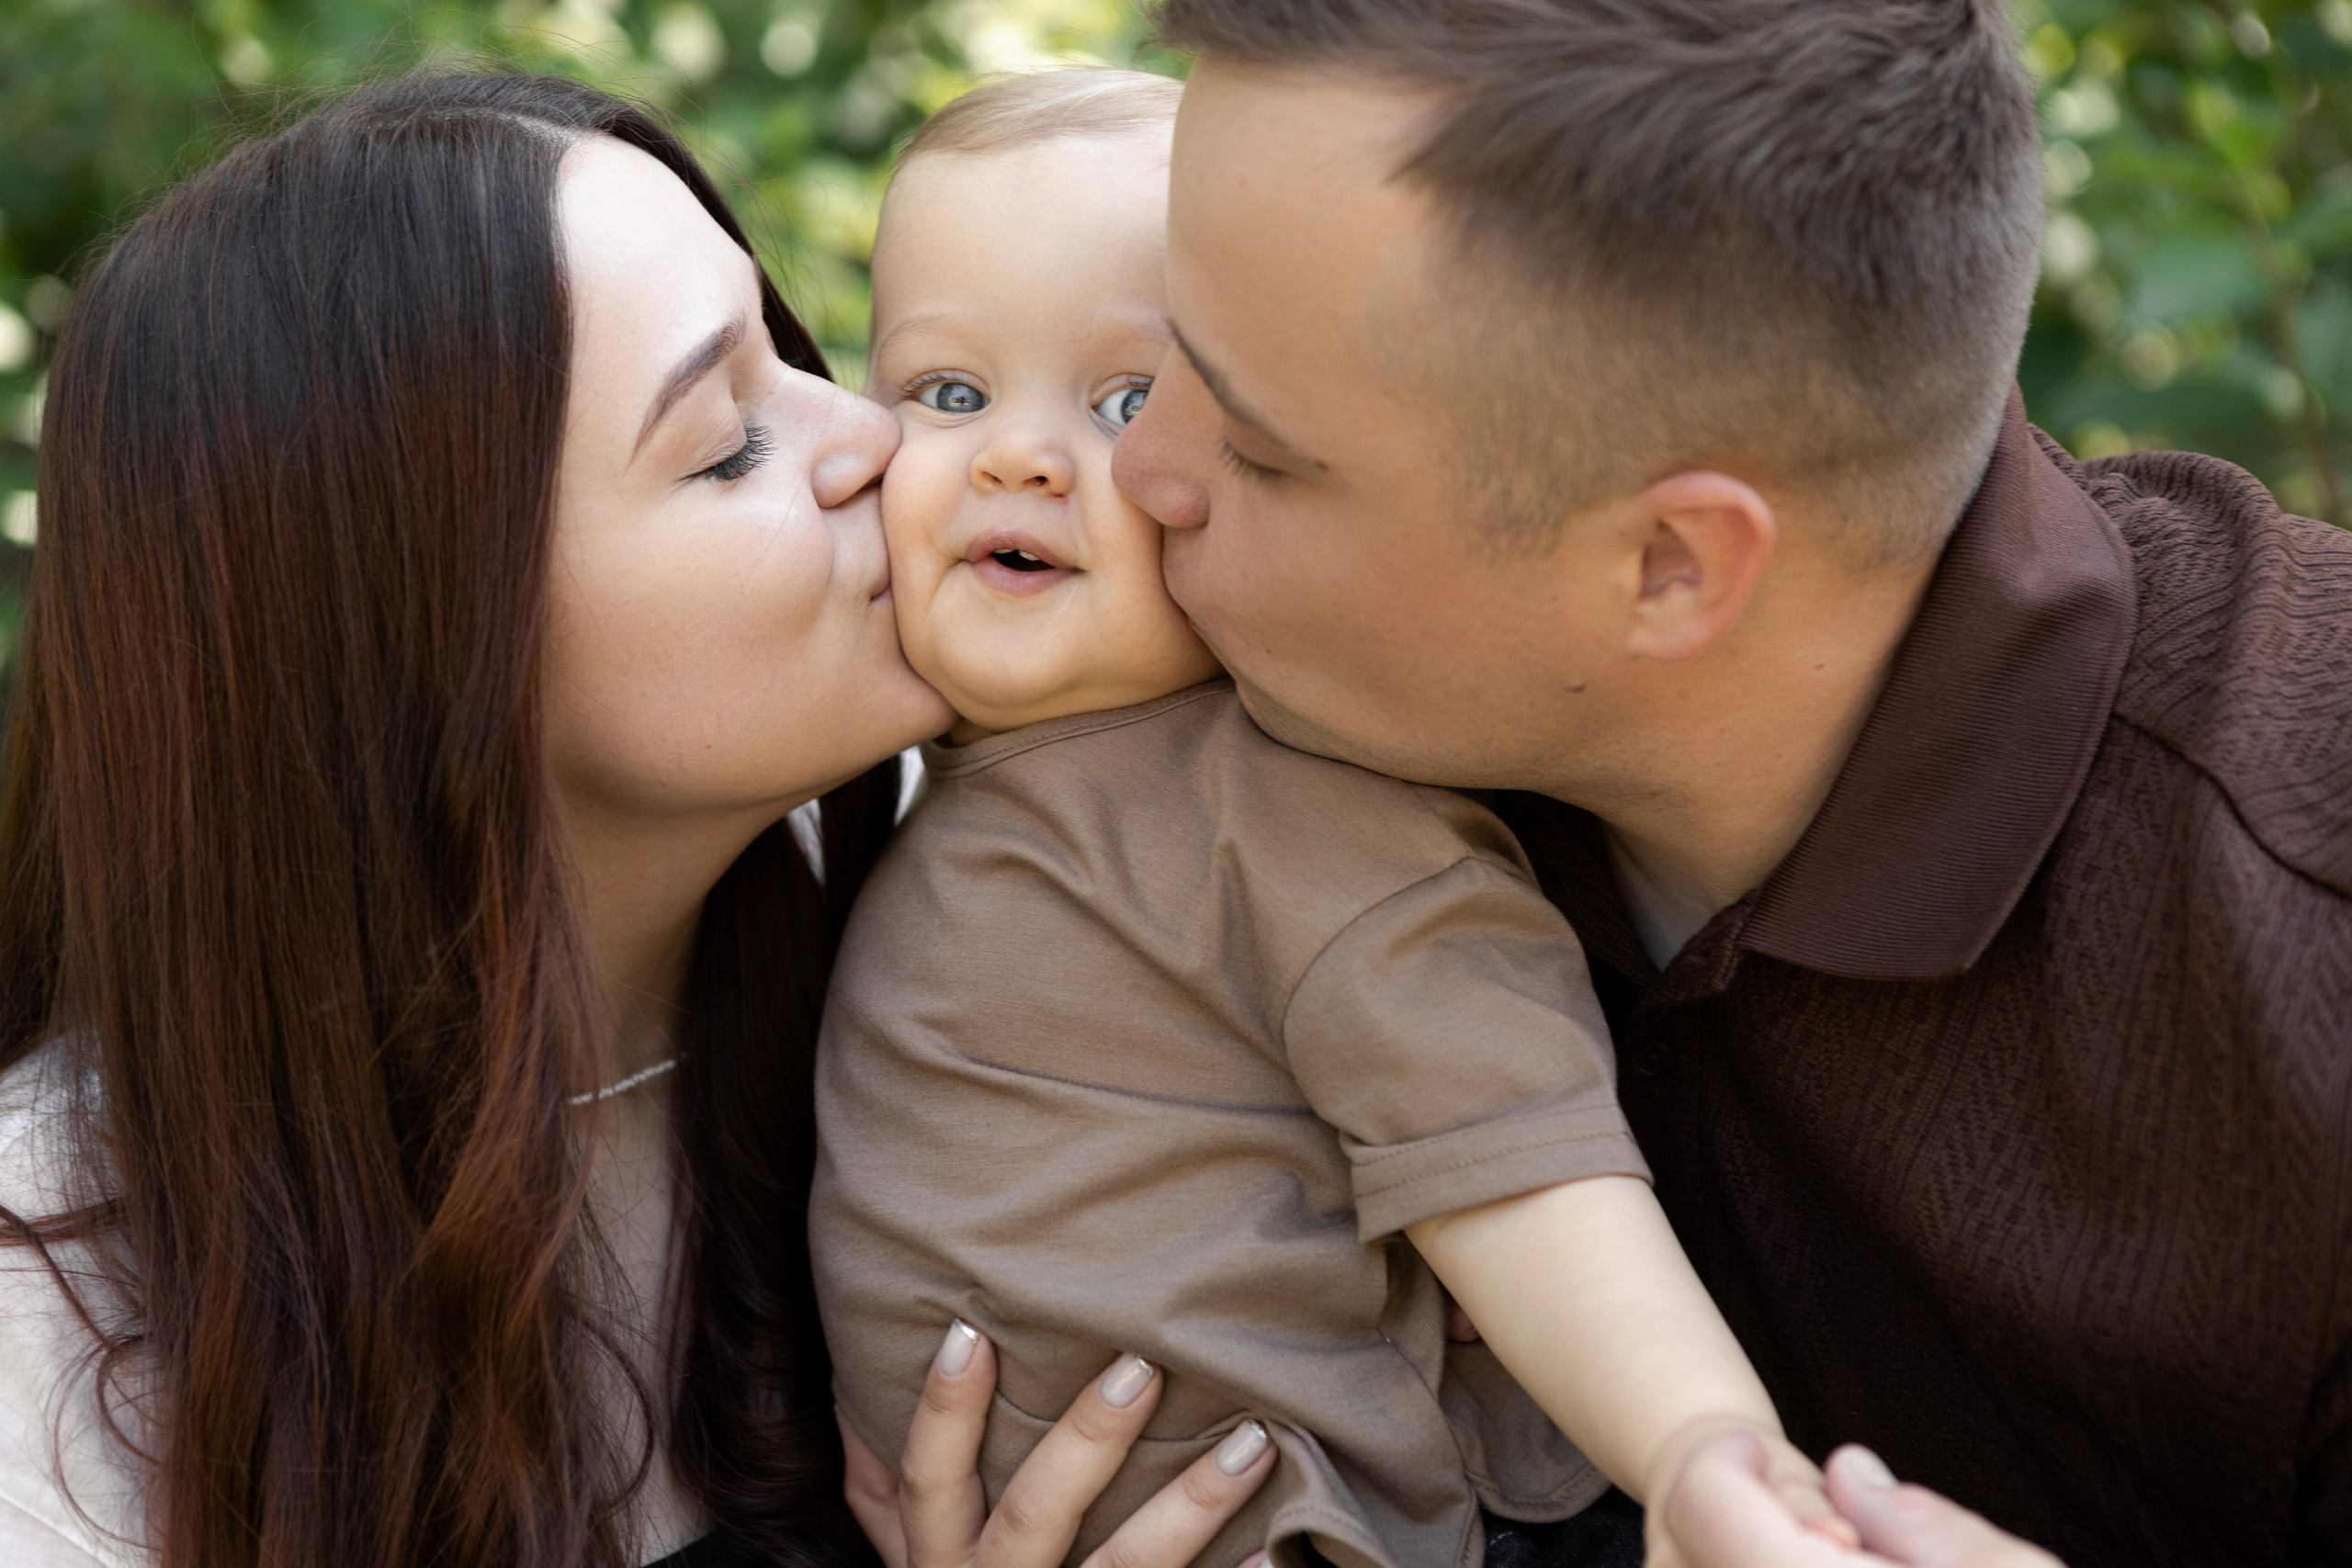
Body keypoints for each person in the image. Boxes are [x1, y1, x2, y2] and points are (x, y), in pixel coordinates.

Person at [1110, 2, 2352, 1567]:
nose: (1141, 470)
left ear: (1672, 567)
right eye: (1158, 346)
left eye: (1264, 452)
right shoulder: (1203, 716)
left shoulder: (2309, 948)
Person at [0, 71, 1271, 1568]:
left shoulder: (994, 894)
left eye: (798, 353)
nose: (872, 437)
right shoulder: (53, 1348)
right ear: (432, 645)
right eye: (728, 442)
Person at [810, 68, 1845, 1568]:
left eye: (1124, 403)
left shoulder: (1288, 802)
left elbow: (1514, 1155)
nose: (1018, 456)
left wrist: (1698, 1452)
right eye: (950, 392)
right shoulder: (903, 773)